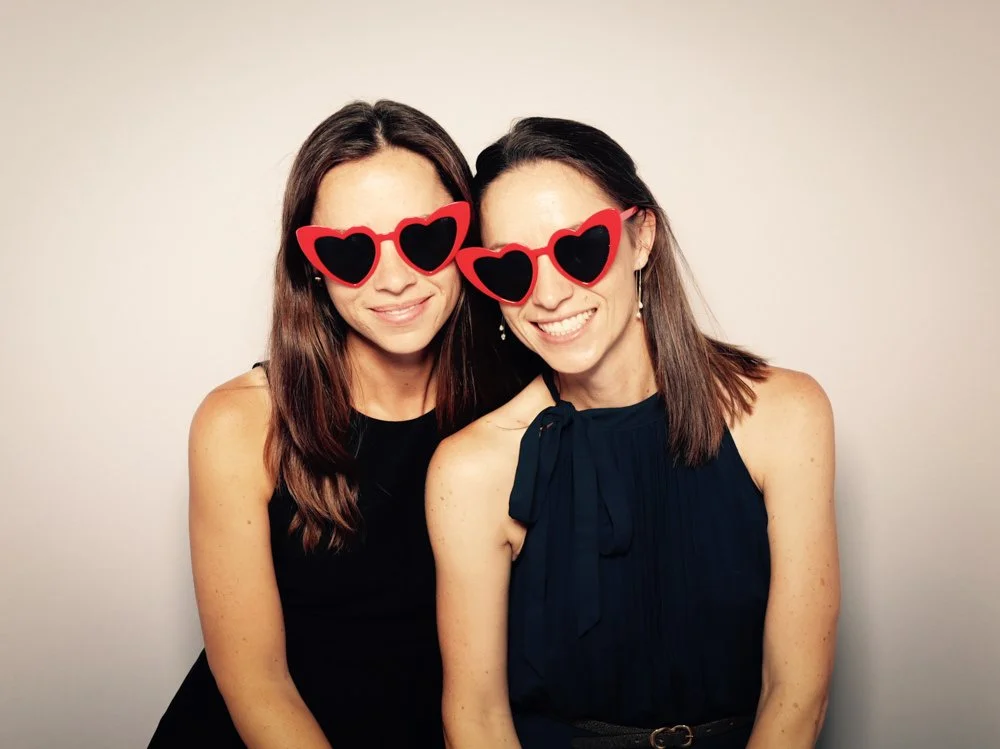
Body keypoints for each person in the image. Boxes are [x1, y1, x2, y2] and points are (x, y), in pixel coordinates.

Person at [427, 117, 840, 749]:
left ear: (640, 237)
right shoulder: (472, 469)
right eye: (511, 269)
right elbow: (477, 719)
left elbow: (797, 691)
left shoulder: (784, 414)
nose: (549, 294)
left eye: (579, 249)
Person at [149, 100, 523, 748]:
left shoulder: (524, 406)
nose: (395, 278)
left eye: (425, 236)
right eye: (351, 251)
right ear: (313, 266)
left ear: (470, 234)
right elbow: (257, 681)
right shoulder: (241, 422)